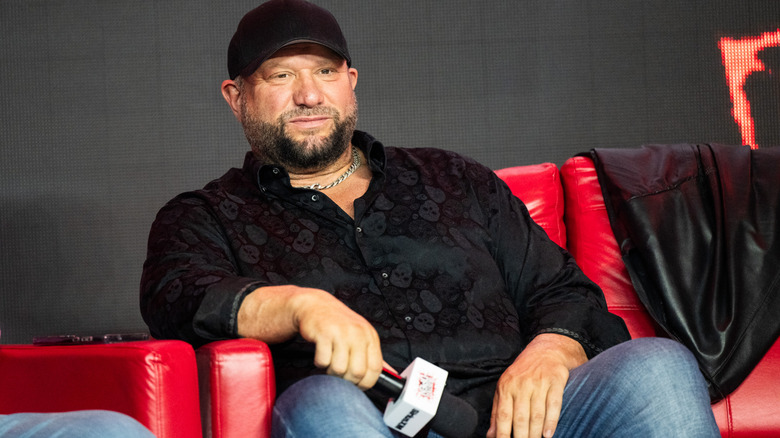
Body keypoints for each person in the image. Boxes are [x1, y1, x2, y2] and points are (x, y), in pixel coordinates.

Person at [140, 1, 720, 437]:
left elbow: (567, 294)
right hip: (367, 418)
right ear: (235, 95)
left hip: (522, 423)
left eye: (324, 72)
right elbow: (179, 296)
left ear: (352, 83)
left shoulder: (454, 179)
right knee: (317, 403)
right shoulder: (207, 216)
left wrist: (552, 349)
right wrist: (299, 304)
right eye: (281, 75)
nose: (309, 95)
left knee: (658, 364)